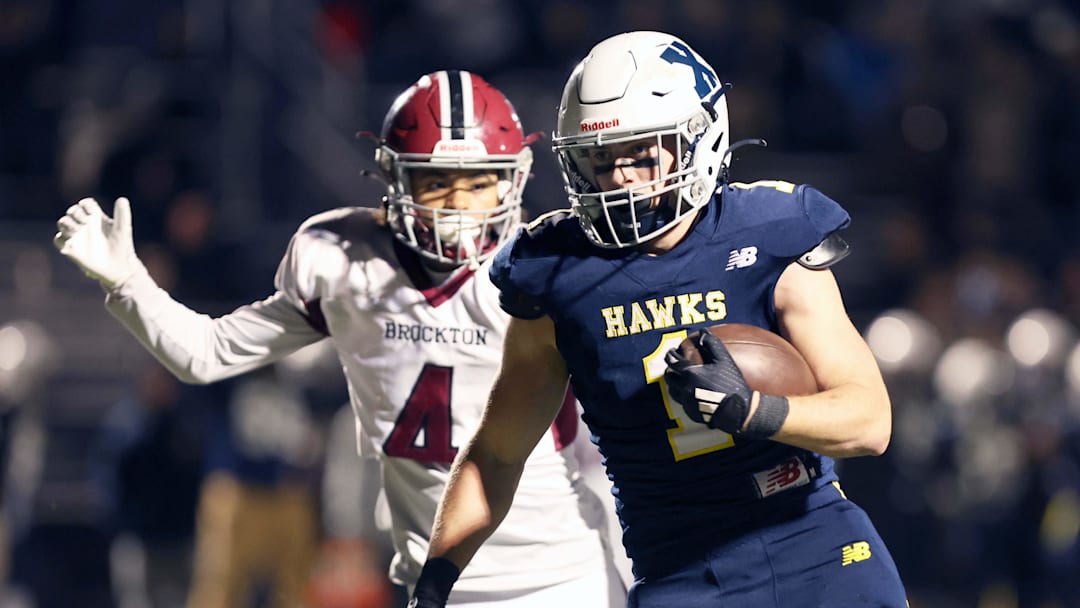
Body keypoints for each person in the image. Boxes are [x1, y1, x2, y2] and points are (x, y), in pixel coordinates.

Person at [53, 70, 626, 608]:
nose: (457, 207)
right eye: (436, 182)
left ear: (514, 179)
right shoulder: (343, 261)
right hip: (435, 583)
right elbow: (206, 354)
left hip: (564, 577)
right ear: (393, 179)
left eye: (478, 184)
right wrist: (129, 283)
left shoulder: (551, 269)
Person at [412, 32, 909, 608]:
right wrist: (434, 582)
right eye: (600, 158)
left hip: (817, 544)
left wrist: (751, 411)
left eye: (640, 153)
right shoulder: (554, 272)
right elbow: (498, 452)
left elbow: (869, 421)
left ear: (698, 138)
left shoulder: (768, 233)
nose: (620, 177)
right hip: (681, 570)